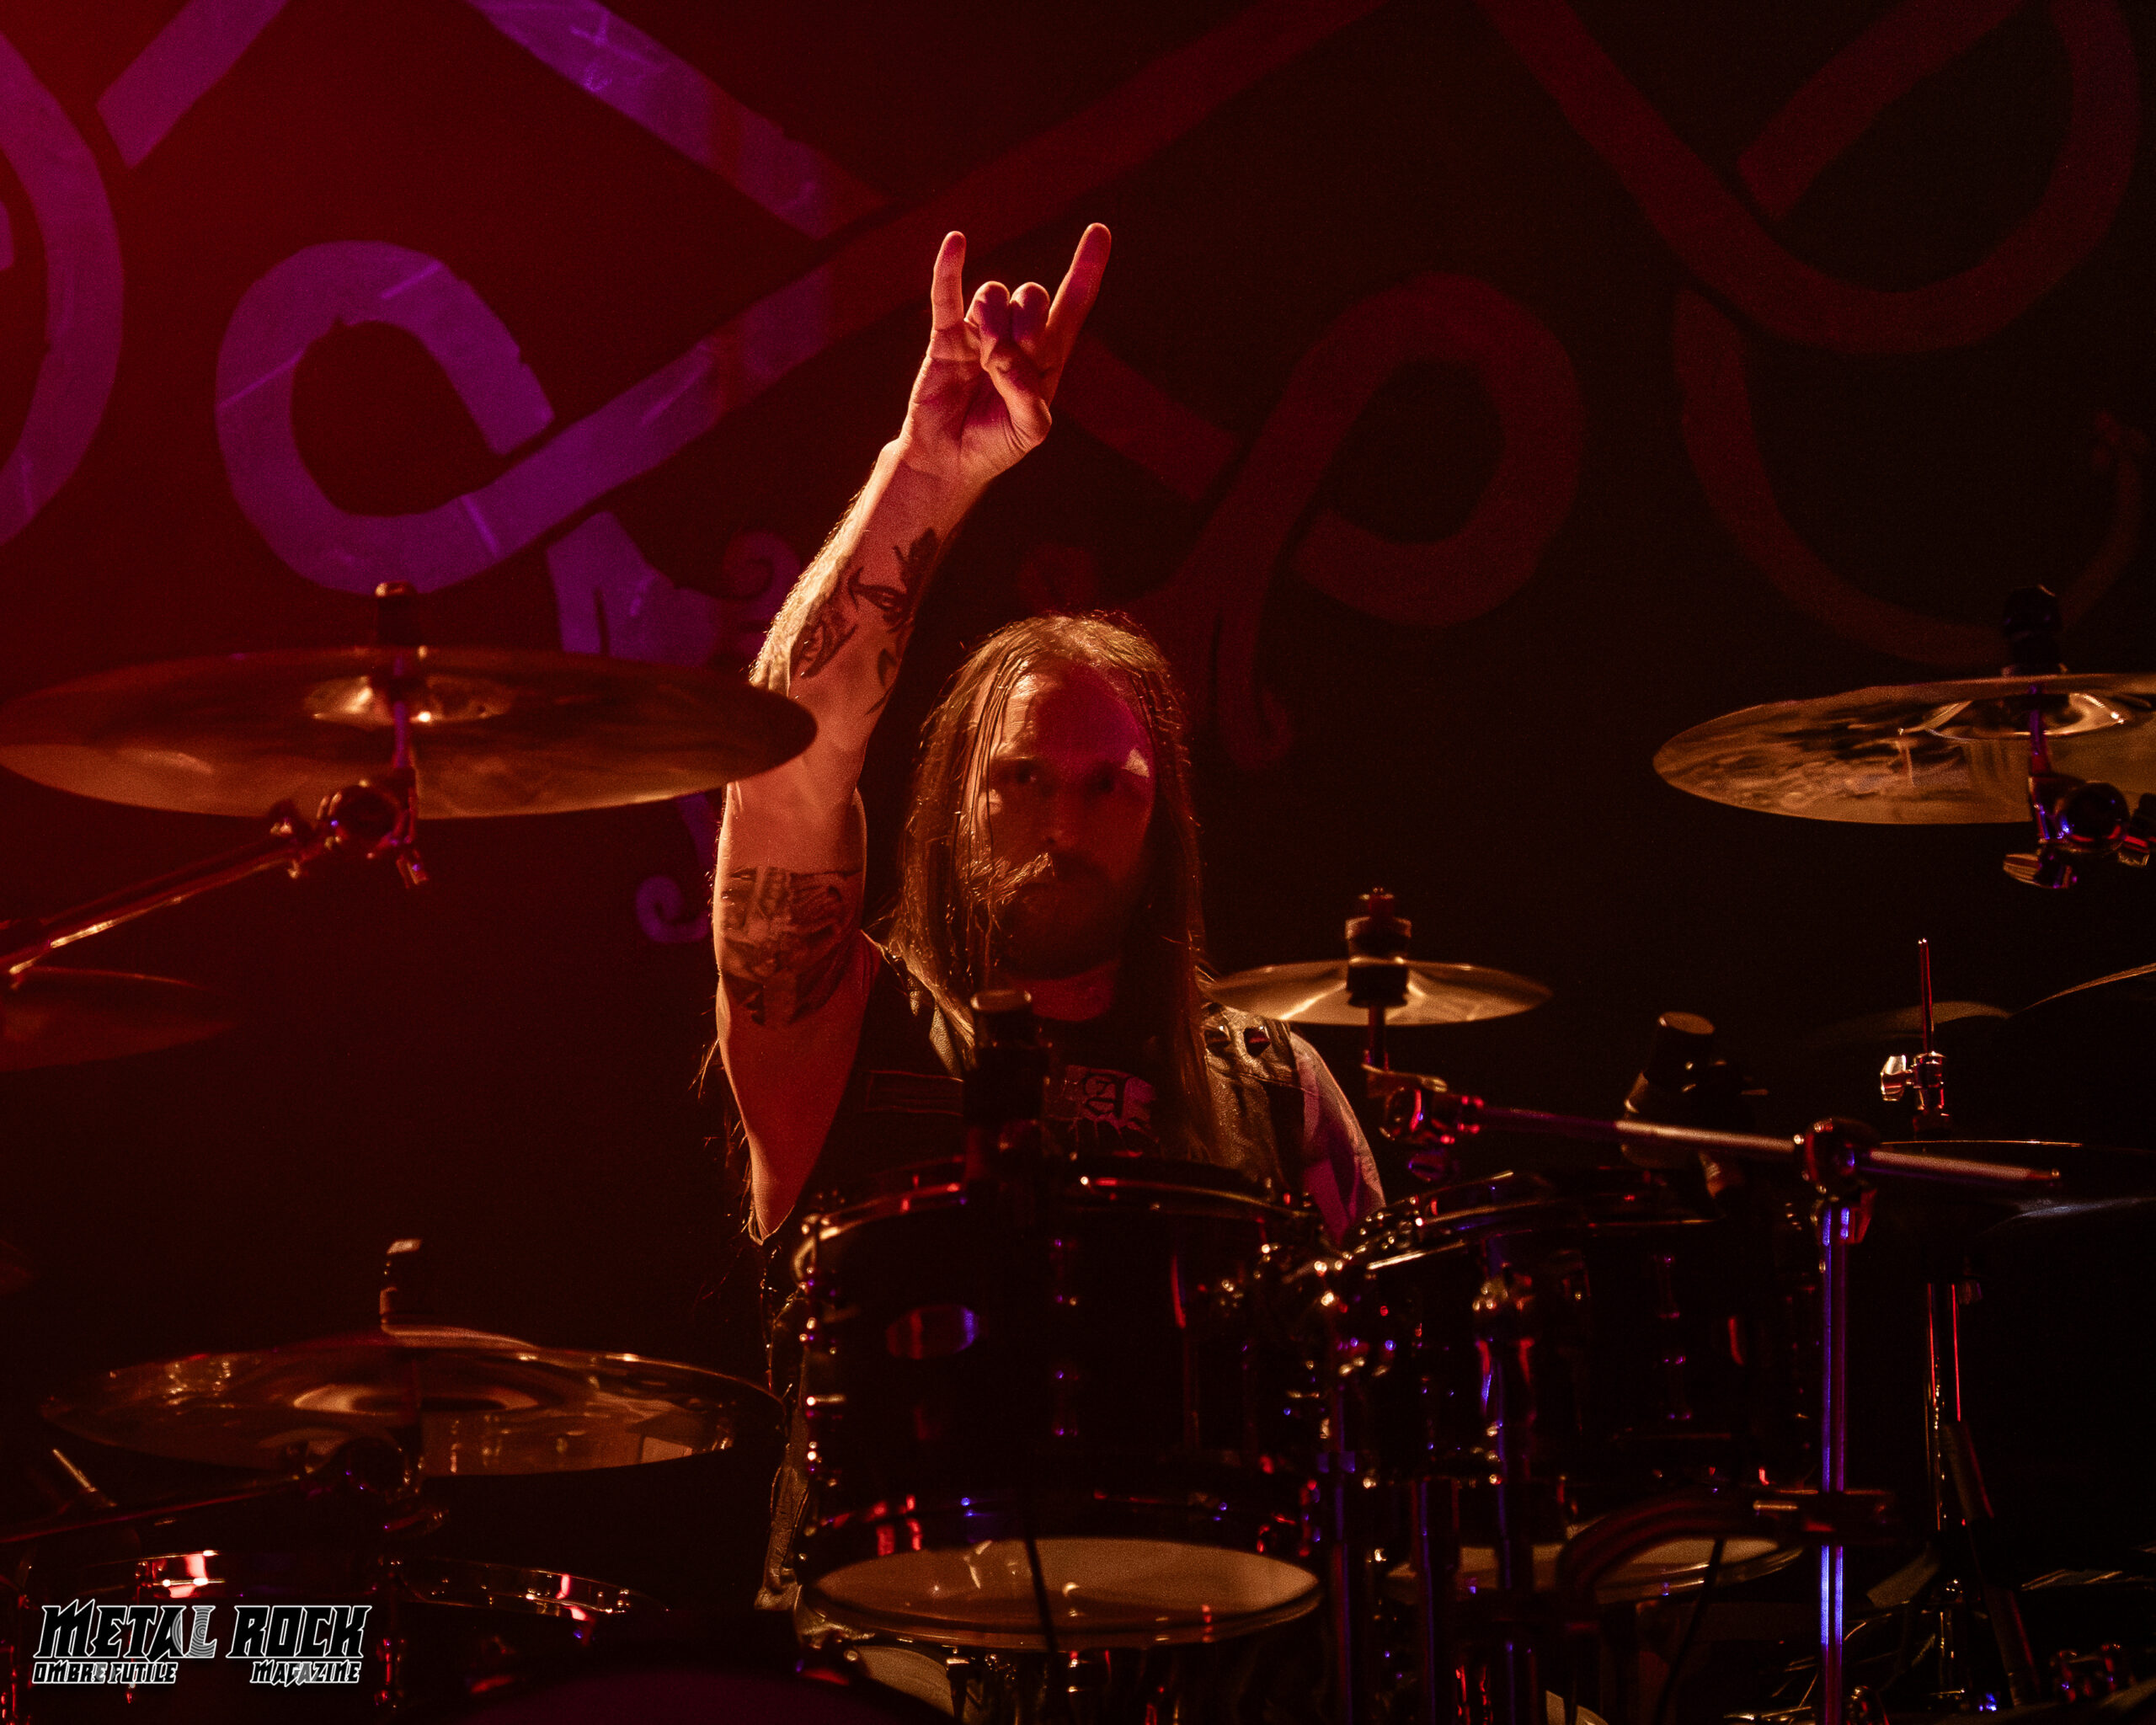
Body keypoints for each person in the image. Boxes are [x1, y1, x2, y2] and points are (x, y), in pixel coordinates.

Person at [710, 222, 1381, 1245]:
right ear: (954, 801)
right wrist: (926, 470)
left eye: (1109, 783)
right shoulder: (836, 1029)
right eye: (1022, 775)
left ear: (1164, 821)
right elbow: (781, 754)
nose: (1063, 820)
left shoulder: (1276, 1089)